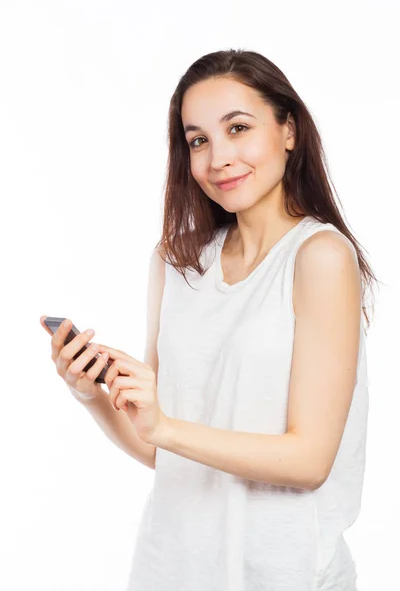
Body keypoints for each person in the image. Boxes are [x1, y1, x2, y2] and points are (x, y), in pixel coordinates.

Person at [41, 49, 380, 590]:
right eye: (198, 140)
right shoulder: (176, 262)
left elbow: (310, 459)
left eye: (238, 128)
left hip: (282, 575)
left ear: (288, 130)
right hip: (168, 569)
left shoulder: (319, 256)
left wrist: (165, 426)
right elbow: (162, 450)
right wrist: (92, 393)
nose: (218, 157)